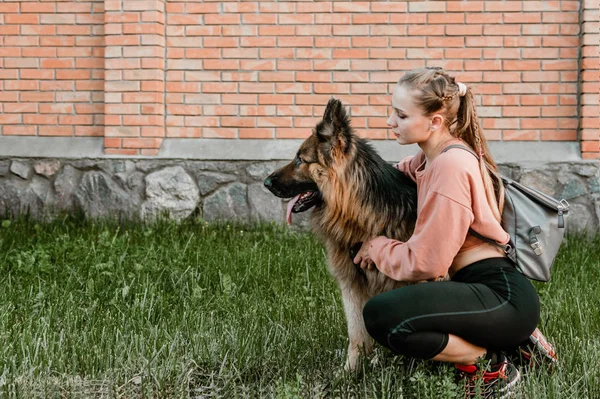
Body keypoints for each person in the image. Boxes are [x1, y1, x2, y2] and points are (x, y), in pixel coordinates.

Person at [352, 66, 556, 398]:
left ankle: (492, 363)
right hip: (485, 292)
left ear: (435, 122)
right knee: (394, 312)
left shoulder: (450, 166)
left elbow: (428, 262)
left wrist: (376, 247)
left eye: (401, 115)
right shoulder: (431, 158)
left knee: (382, 316)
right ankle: (519, 343)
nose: (390, 122)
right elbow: (394, 174)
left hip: (500, 295)